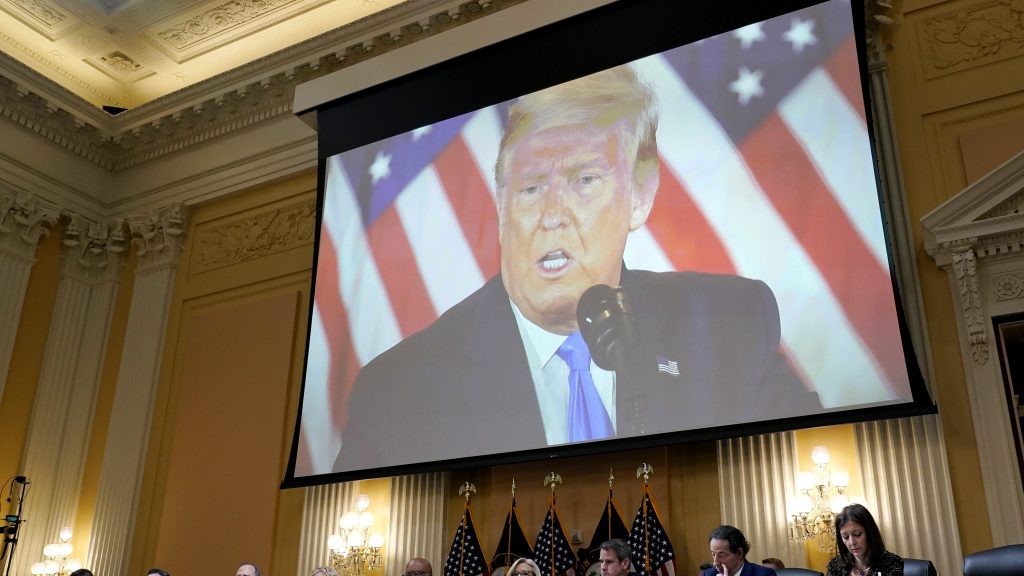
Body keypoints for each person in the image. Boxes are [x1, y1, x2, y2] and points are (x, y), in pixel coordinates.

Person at [334, 64, 821, 472]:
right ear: (501, 206)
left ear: (640, 196)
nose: (552, 215)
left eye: (585, 179)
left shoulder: (731, 327)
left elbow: (802, 458)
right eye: (530, 188)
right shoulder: (400, 390)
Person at [826, 504, 903, 576]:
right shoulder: (835, 566)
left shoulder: (892, 563)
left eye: (857, 534)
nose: (852, 543)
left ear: (870, 533)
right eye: (845, 537)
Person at [704, 525, 776, 576]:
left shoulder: (765, 574)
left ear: (739, 553)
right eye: (713, 554)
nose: (715, 563)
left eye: (721, 555)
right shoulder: (708, 574)